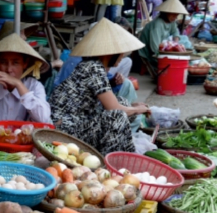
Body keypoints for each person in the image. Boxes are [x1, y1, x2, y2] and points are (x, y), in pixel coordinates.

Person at [48, 18, 149, 155]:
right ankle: (110, 161)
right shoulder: (93, 68)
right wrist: (138, 110)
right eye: (120, 53)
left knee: (123, 102)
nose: (122, 56)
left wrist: (134, 106)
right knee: (116, 116)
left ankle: (122, 155)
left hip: (79, 122)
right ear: (109, 53)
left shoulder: (94, 66)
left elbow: (110, 103)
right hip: (64, 130)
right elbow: (114, 109)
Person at [54, 18, 135, 90]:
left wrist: (114, 81)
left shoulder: (91, 62)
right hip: (72, 103)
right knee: (127, 87)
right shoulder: (93, 67)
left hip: (68, 99)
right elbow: (109, 101)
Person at [136, 0, 188, 77]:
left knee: (185, 39)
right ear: (166, 12)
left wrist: (176, 45)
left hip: (160, 49)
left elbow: (175, 32)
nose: (175, 17)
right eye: (173, 14)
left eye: (177, 15)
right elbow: (154, 48)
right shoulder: (157, 25)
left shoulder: (172, 22)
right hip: (150, 53)